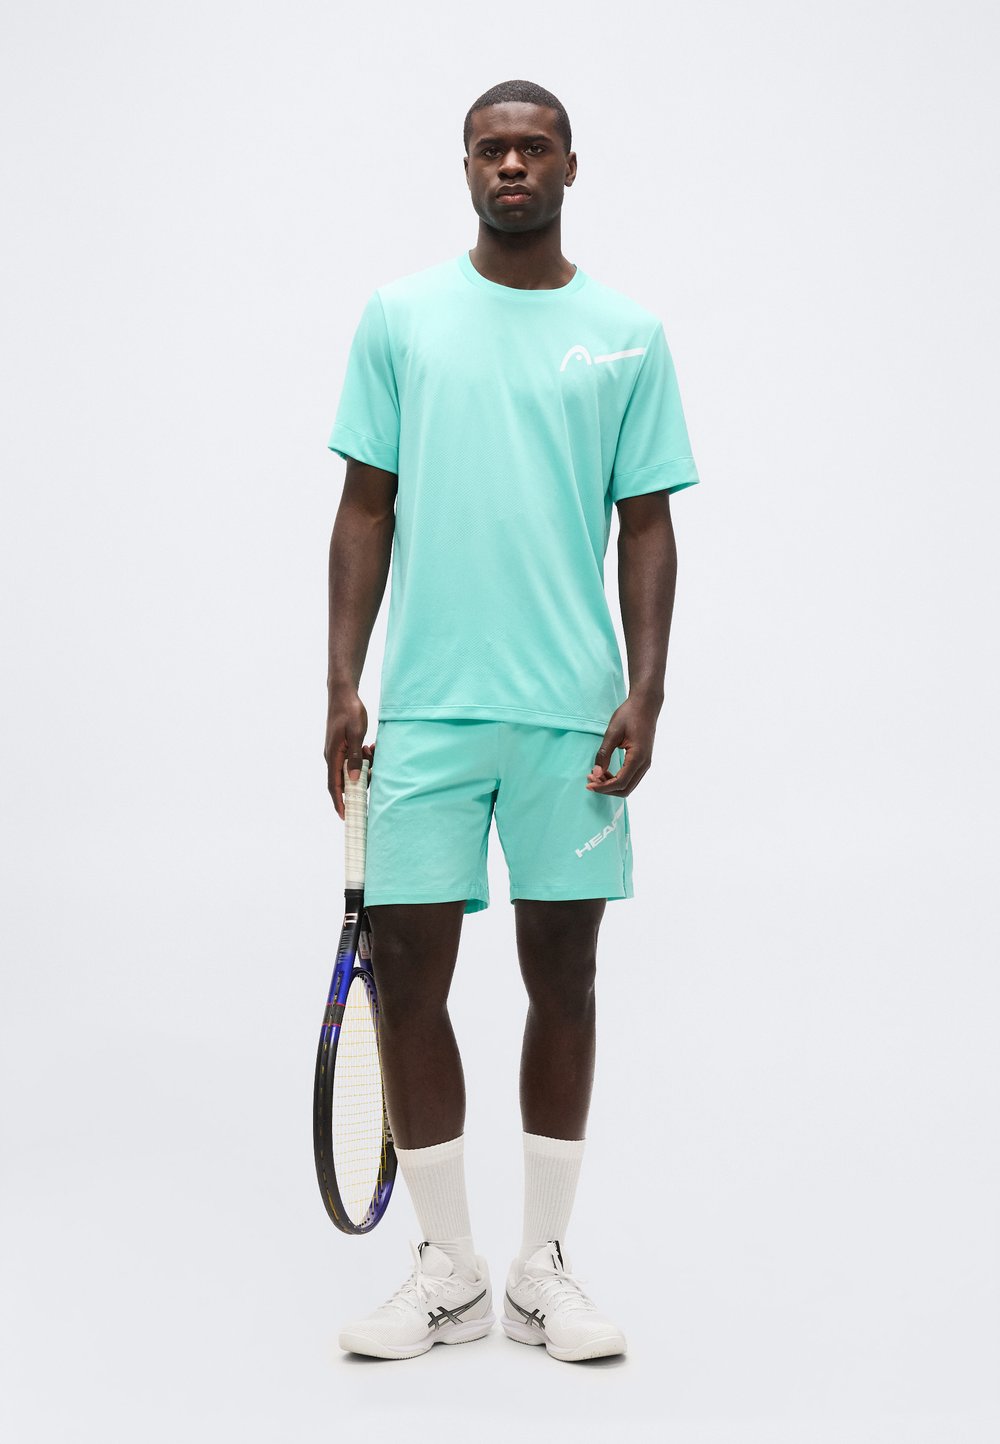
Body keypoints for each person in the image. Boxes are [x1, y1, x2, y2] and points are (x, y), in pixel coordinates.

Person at [324, 78, 700, 1363]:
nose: (512, 165)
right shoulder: (401, 317)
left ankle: (541, 1267)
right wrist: (341, 680)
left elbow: (645, 523)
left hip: (568, 720)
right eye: (491, 148)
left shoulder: (628, 334)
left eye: (534, 147)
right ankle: (447, 1268)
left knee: (565, 976)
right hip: (427, 713)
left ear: (571, 166)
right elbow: (364, 506)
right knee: (406, 980)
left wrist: (646, 687)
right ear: (466, 167)